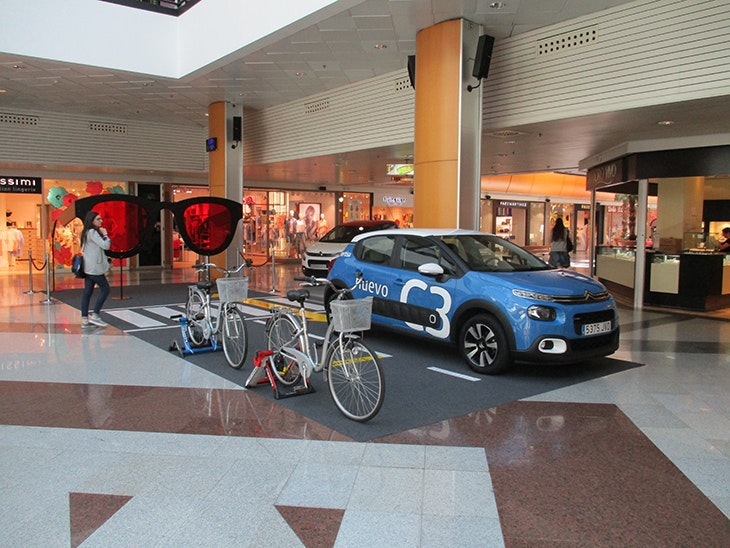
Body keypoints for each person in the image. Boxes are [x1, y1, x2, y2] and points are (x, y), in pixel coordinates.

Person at [80, 210, 111, 328]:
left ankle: (84, 319)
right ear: (92, 220)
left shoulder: (86, 232)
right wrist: (105, 235)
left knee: (87, 292)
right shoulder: (93, 232)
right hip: (94, 267)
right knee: (105, 289)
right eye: (98, 219)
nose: (101, 221)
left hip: (88, 266)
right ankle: (95, 315)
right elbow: (105, 245)